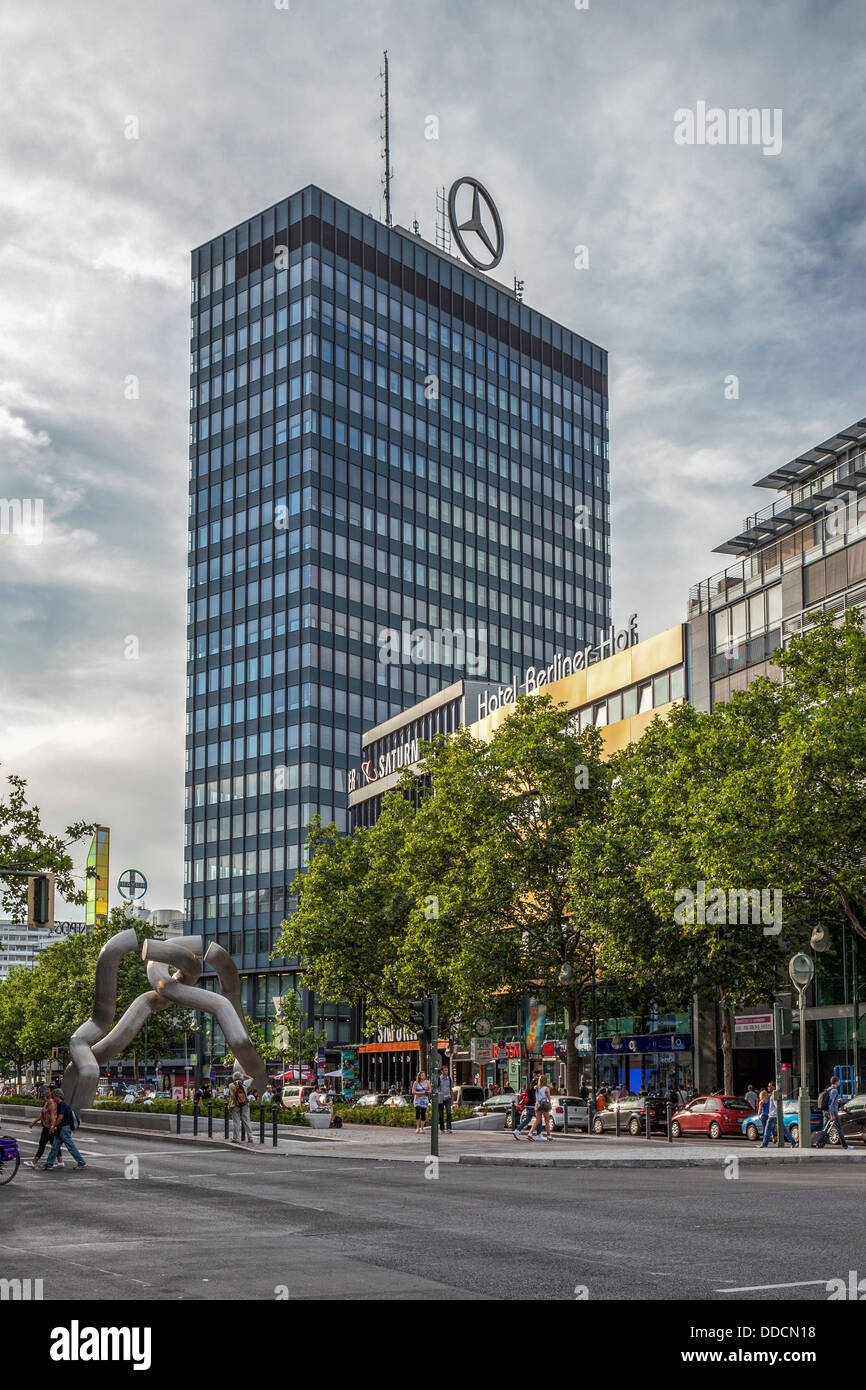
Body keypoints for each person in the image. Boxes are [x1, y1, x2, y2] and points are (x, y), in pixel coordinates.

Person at [43, 1089, 86, 1170]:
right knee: (55, 1147)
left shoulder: (62, 1104)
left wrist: (53, 1126)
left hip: (64, 1129)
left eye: (54, 1096)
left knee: (70, 1147)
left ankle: (81, 1162)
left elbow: (60, 1118)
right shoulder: (62, 1104)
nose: (53, 1098)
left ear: (57, 1096)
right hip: (61, 1129)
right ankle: (49, 1164)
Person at [25, 1086, 61, 1169]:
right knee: (54, 1144)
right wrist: (34, 1122)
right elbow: (42, 1114)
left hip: (48, 1127)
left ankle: (34, 1162)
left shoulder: (51, 1102)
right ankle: (60, 1161)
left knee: (42, 1144)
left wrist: (52, 1127)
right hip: (47, 1126)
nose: (46, 1091)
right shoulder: (48, 1101)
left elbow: (52, 1115)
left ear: (52, 1092)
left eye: (48, 1090)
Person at [814, 1077, 850, 1149]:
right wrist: (832, 1115)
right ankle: (845, 1146)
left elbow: (831, 1101)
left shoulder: (829, 1089)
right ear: (836, 1082)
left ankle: (819, 1144)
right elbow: (830, 1103)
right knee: (839, 1129)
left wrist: (838, 1101)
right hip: (832, 1112)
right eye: (839, 1081)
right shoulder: (834, 1090)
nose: (840, 1082)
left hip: (825, 1111)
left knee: (826, 1129)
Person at [228, 1073, 255, 1144]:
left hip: (235, 1105)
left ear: (234, 1078)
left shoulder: (231, 1085)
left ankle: (236, 1138)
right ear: (241, 1077)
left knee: (236, 1122)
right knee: (246, 1121)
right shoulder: (245, 1084)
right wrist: (244, 1075)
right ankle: (250, 1138)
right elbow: (252, 1079)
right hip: (244, 1104)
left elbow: (231, 1095)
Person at [438, 1063, 454, 1134]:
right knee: (441, 1114)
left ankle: (449, 1128)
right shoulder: (439, 1079)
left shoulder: (450, 1079)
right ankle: (442, 1129)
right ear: (442, 1071)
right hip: (440, 1098)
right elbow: (436, 1089)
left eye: (447, 1070)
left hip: (448, 1098)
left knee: (449, 1113)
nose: (446, 1072)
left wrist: (452, 1100)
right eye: (445, 1070)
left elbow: (451, 1089)